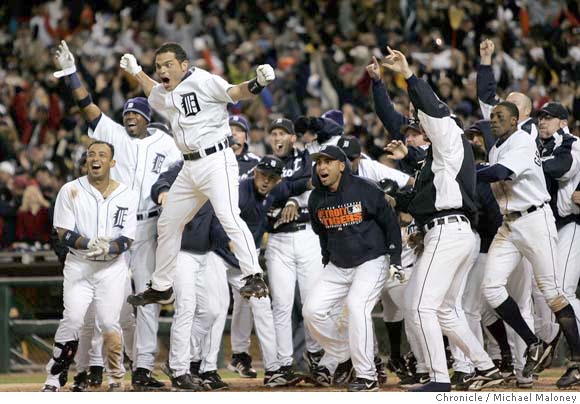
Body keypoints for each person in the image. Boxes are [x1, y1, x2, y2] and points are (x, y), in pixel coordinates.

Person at [53, 40, 182, 390]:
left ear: (147, 117)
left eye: (136, 113)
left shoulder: (166, 143)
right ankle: (97, 364)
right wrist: (70, 73)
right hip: (117, 228)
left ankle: (142, 368)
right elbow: (88, 107)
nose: (129, 117)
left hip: (152, 224)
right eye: (126, 113)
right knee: (110, 305)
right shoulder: (114, 137)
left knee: (150, 296)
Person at [381, 47, 502, 392]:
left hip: (448, 233)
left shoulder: (449, 134)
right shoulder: (437, 160)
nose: (417, 121)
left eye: (419, 119)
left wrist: (409, 75)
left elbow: (433, 108)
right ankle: (485, 365)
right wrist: (397, 196)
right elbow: (422, 200)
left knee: (420, 307)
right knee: (446, 310)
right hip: (452, 231)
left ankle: (438, 379)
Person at [119, 42, 274, 305]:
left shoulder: (203, 80)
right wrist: (137, 72)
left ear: (183, 65)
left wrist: (257, 83)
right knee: (168, 223)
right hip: (190, 167)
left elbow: (235, 92)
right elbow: (153, 91)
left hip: (216, 160)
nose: (162, 70)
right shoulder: (167, 92)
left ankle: (254, 274)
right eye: (158, 66)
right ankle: (162, 286)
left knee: (228, 215)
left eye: (168, 64)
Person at [478, 101, 580, 388]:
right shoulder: (497, 147)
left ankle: (577, 359)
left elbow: (499, 174)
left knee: (552, 292)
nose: (494, 120)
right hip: (509, 223)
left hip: (535, 219)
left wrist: (468, 172)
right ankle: (533, 341)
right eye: (492, 116)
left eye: (500, 117)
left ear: (514, 121)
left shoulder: (523, 140)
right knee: (491, 288)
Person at [303, 145, 402, 392]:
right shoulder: (316, 197)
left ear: (341, 165)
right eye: (319, 163)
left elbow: (390, 223)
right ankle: (344, 352)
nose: (322, 167)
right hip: (338, 264)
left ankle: (367, 375)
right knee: (312, 311)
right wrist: (327, 259)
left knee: (358, 307)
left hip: (372, 259)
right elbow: (322, 233)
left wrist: (395, 258)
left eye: (328, 162)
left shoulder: (365, 188)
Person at [41, 141, 138, 392]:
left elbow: (128, 238)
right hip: (80, 264)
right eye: (91, 154)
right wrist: (89, 243)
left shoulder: (126, 193)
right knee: (72, 319)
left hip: (112, 267)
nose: (95, 158)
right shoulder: (70, 190)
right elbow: (63, 232)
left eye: (102, 155)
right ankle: (54, 377)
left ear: (112, 163)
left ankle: (116, 377)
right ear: (86, 161)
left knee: (108, 323)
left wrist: (110, 247)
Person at [264, 118, 324, 375]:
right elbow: (270, 194)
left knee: (312, 303)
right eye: (273, 133)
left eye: (282, 133)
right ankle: (284, 363)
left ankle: (314, 357)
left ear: (292, 138)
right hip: (278, 238)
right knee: (281, 304)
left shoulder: (308, 157)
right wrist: (291, 194)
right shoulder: (266, 165)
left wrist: (289, 197)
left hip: (308, 234)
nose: (277, 138)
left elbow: (313, 183)